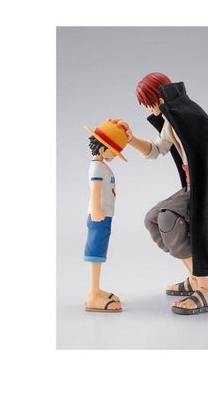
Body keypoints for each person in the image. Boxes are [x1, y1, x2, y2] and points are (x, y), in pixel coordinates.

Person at [110, 72, 208, 315]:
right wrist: (131, 139)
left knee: (168, 219)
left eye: (149, 102)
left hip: (207, 188)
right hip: (193, 187)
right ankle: (194, 278)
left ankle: (207, 290)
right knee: (153, 219)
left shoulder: (190, 116)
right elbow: (155, 150)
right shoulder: (171, 122)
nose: (148, 108)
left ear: (160, 97)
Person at [82, 120, 128, 312]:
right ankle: (93, 294)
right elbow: (95, 189)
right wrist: (97, 210)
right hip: (99, 215)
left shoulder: (99, 166)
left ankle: (95, 291)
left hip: (104, 214)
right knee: (96, 252)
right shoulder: (97, 168)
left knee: (99, 251)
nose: (114, 156)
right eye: (113, 152)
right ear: (102, 148)